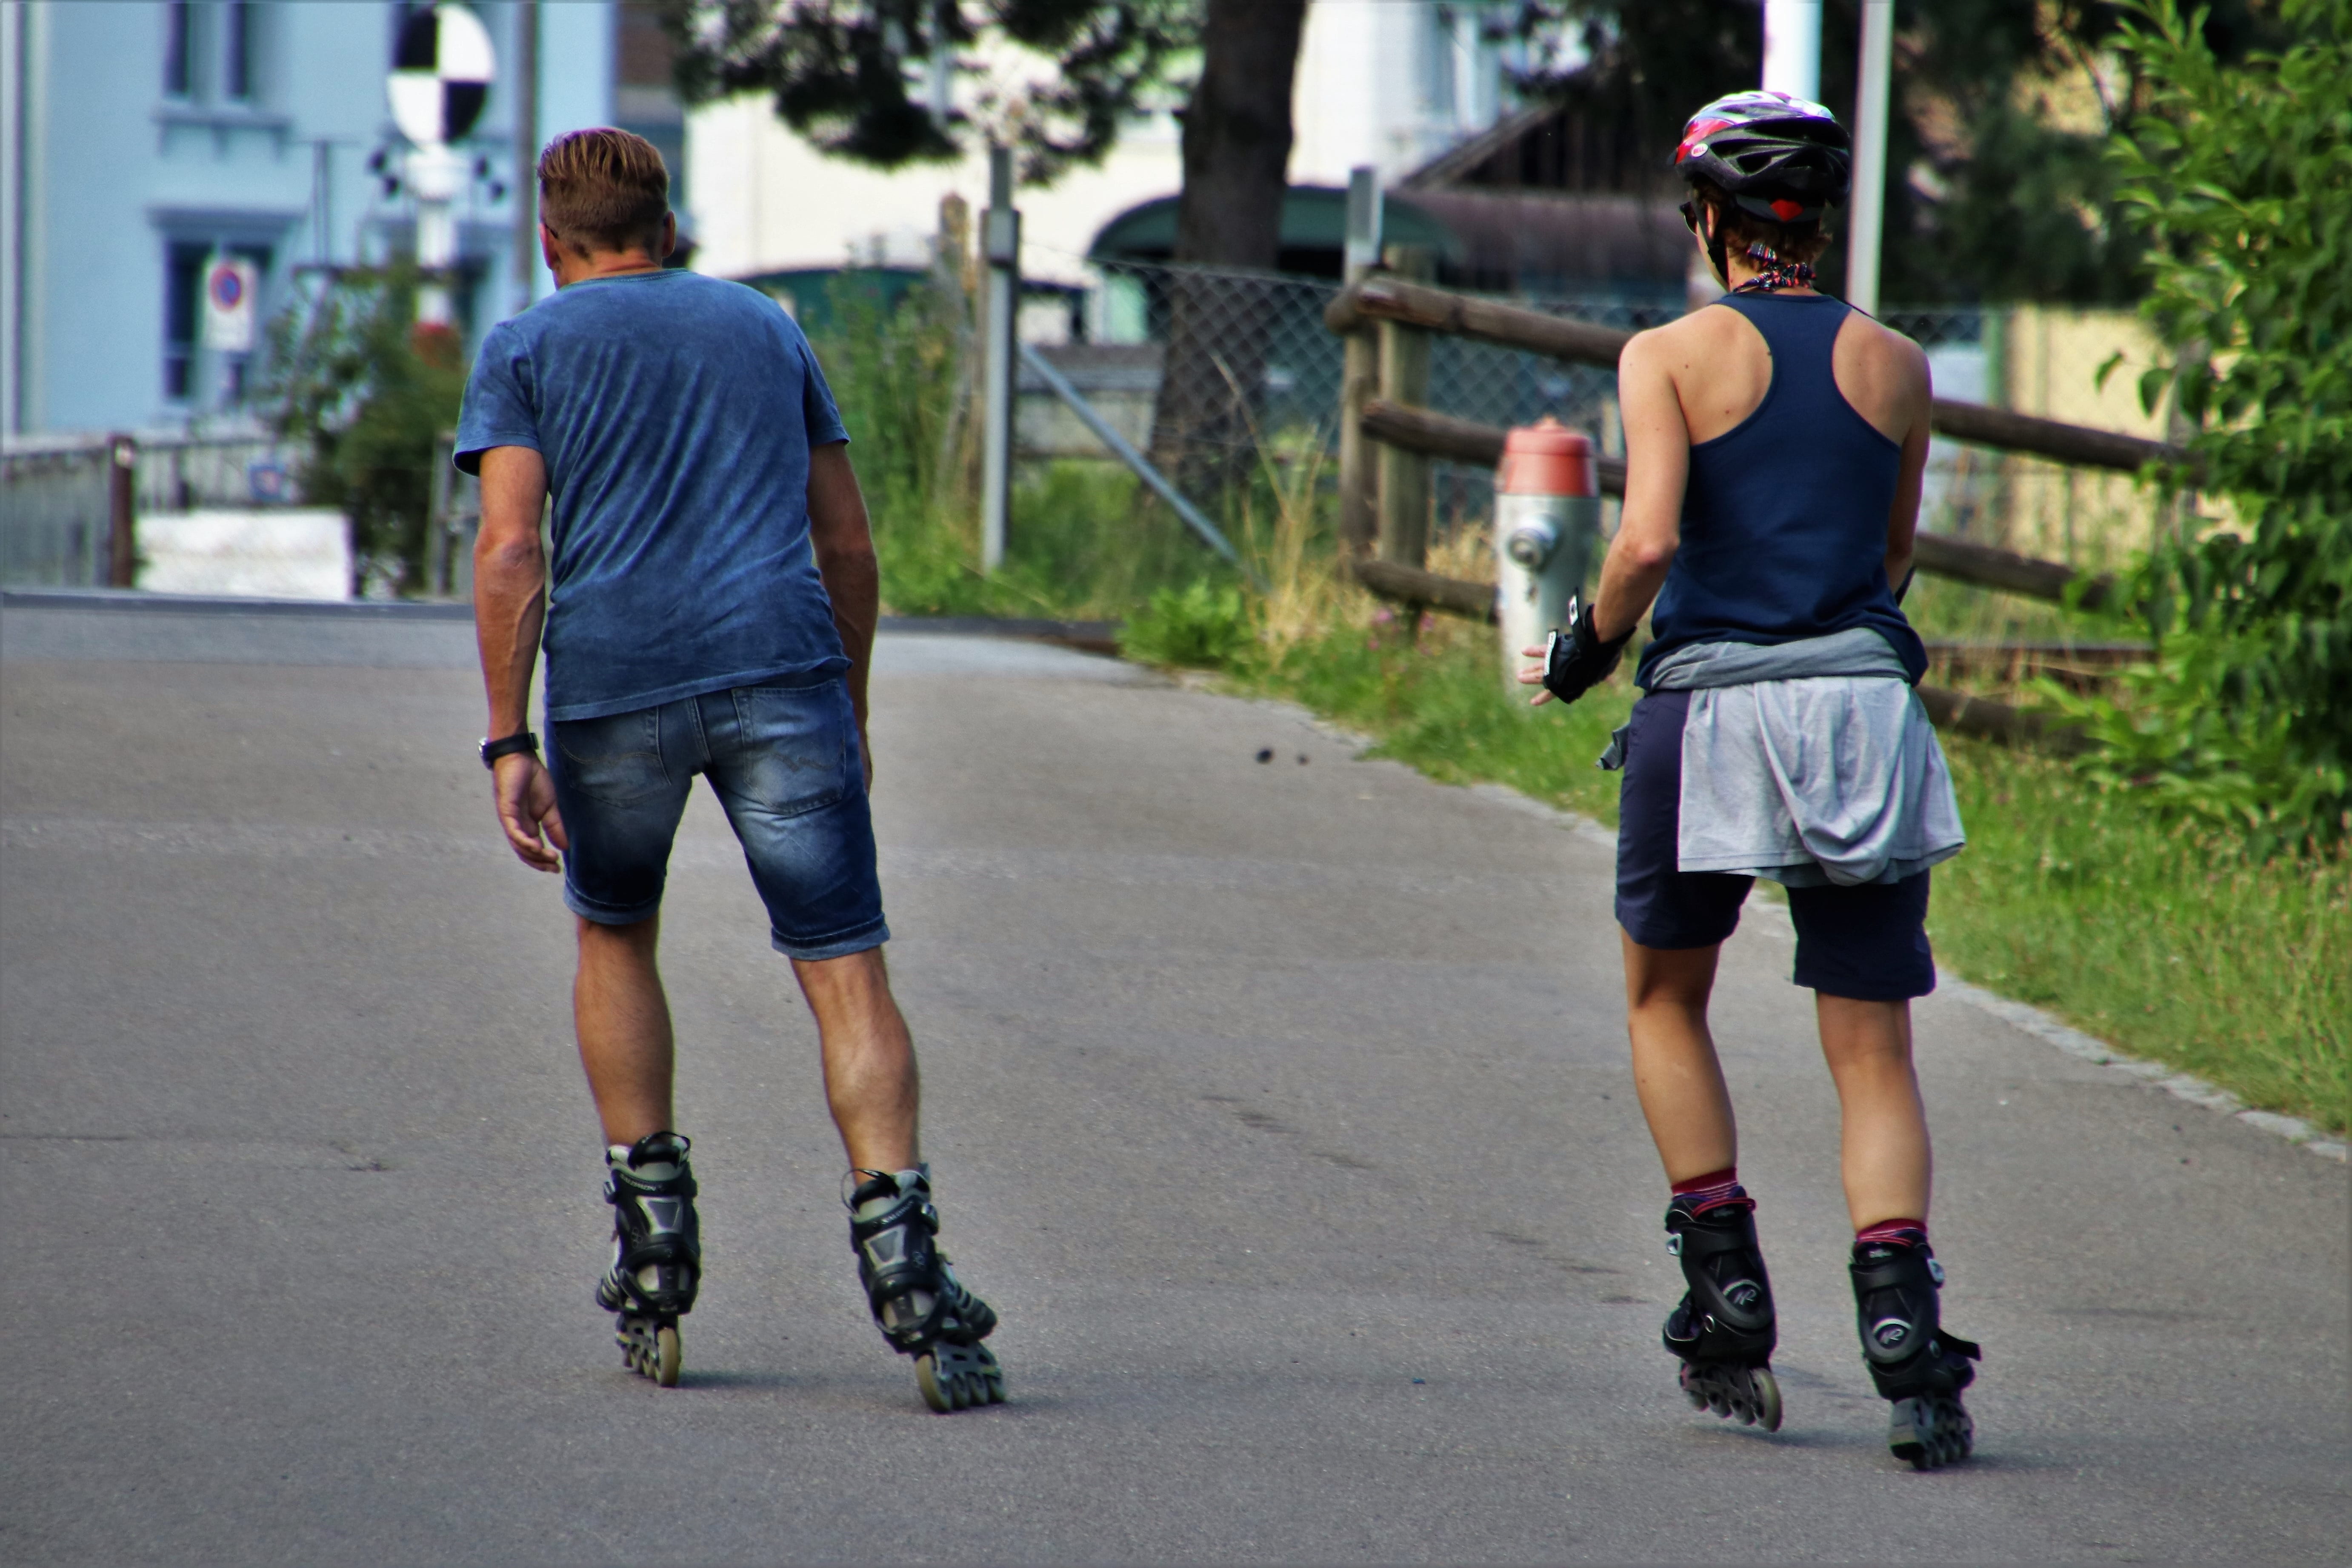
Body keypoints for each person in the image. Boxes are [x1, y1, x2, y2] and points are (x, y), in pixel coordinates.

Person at [457, 128, 1002, 1412]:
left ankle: (652, 1238)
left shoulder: (526, 349)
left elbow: (510, 552)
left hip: (615, 693)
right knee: (844, 965)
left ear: (553, 237)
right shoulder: (765, 328)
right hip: (781, 678)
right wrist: (849, 703)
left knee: (616, 932)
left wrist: (508, 736)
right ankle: (908, 1262)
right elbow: (848, 544)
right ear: (670, 227)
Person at [1519, 91, 1982, 1470]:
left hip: (1709, 710)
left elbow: (1649, 542)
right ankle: (1902, 1326)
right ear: (1822, 219)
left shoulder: (1666, 353)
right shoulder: (1899, 364)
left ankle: (1725, 1296)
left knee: (1667, 997)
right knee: (1873, 1045)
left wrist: (1585, 650)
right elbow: (1896, 553)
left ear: (1710, 218)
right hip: (1861, 711)